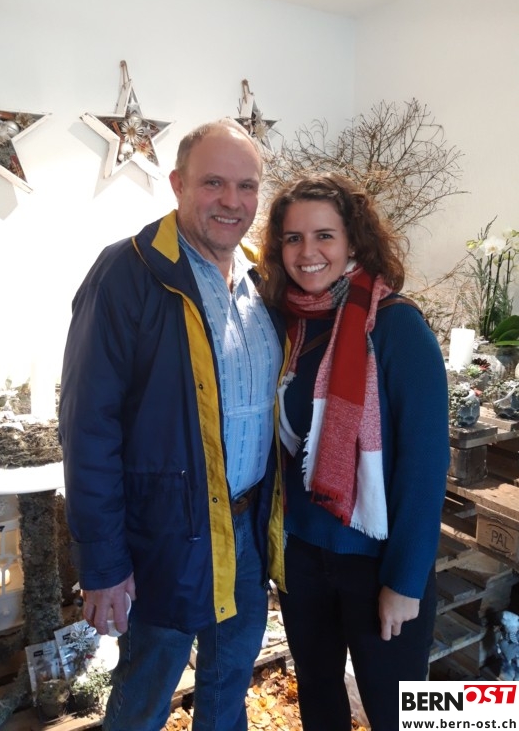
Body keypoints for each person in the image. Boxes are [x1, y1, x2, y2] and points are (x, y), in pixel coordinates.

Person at [58, 118, 286, 731]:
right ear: (178, 183)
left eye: (246, 186)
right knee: (144, 697)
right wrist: (104, 565)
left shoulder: (263, 280)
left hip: (246, 530)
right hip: (163, 539)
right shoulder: (126, 273)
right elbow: (88, 428)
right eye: (213, 183)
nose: (232, 201)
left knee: (228, 689)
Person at [258, 173, 450, 731]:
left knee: (400, 714)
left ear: (353, 242)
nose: (308, 252)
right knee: (319, 701)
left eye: (325, 235)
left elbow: (424, 465)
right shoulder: (287, 327)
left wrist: (405, 582)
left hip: (377, 563)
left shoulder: (396, 326)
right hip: (303, 558)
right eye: (293, 238)